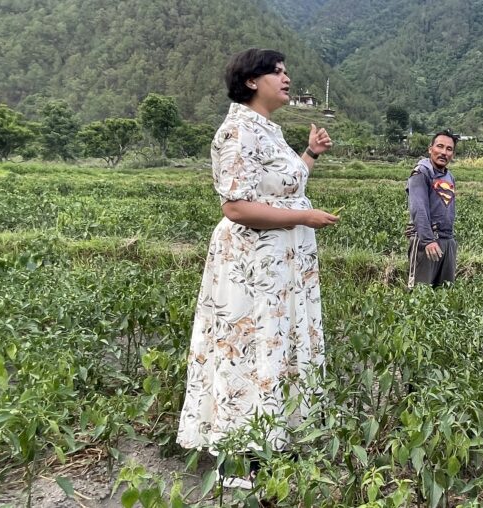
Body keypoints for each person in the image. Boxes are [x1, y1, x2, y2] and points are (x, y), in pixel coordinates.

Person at [176, 48, 339, 489]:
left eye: (286, 71)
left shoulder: (266, 130)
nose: (286, 78)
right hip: (252, 266)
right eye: (277, 72)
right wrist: (304, 217)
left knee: (273, 347)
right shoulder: (237, 132)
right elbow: (236, 206)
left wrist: (310, 154)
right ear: (251, 81)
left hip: (279, 266)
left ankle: (269, 442)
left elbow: (280, 185)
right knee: (247, 347)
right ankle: (237, 460)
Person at [405, 130, 458, 288]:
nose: (443, 152)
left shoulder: (449, 176)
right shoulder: (421, 173)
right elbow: (418, 208)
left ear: (453, 154)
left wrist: (450, 243)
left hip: (446, 241)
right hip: (427, 241)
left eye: (449, 149)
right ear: (430, 149)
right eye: (440, 146)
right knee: (420, 295)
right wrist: (428, 240)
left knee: (445, 294)